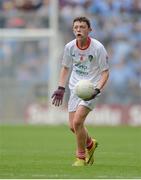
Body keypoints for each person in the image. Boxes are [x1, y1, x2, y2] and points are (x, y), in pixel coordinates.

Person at [52, 16, 109, 166]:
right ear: (73, 30)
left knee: (78, 122)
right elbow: (65, 67)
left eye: (82, 27)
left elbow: (105, 72)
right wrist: (60, 87)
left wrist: (97, 89)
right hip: (75, 88)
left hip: (91, 89)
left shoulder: (98, 48)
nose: (78, 30)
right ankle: (90, 144)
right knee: (73, 126)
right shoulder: (69, 47)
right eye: (76, 27)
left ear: (89, 30)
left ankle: (81, 158)